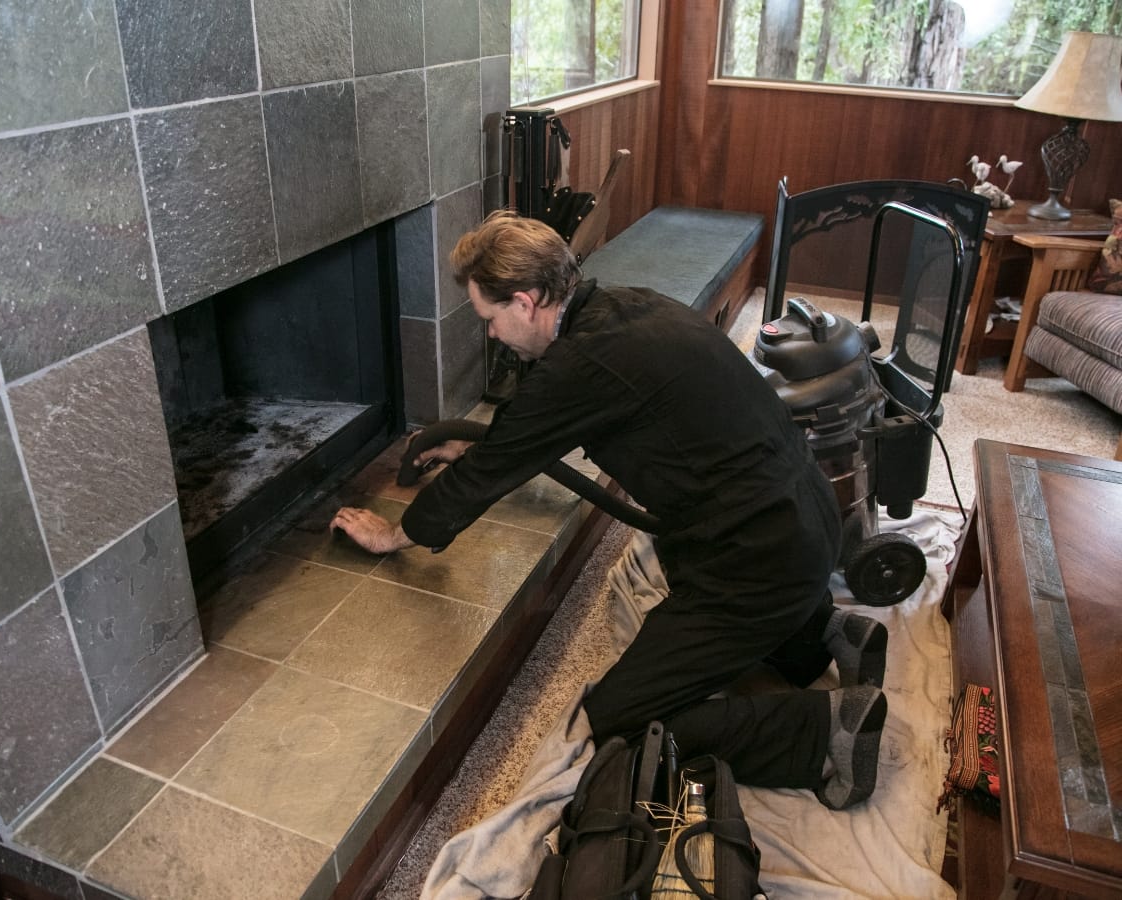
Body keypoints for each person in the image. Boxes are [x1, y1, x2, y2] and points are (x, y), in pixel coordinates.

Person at [330, 210, 889, 810]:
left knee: (622, 724)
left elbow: (493, 470)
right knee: (684, 557)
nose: (490, 334)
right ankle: (823, 635)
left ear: (525, 302)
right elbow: (532, 431)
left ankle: (823, 731)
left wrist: (396, 534)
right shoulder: (626, 307)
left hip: (758, 558)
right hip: (803, 519)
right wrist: (479, 447)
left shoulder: (578, 366)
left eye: (489, 318)